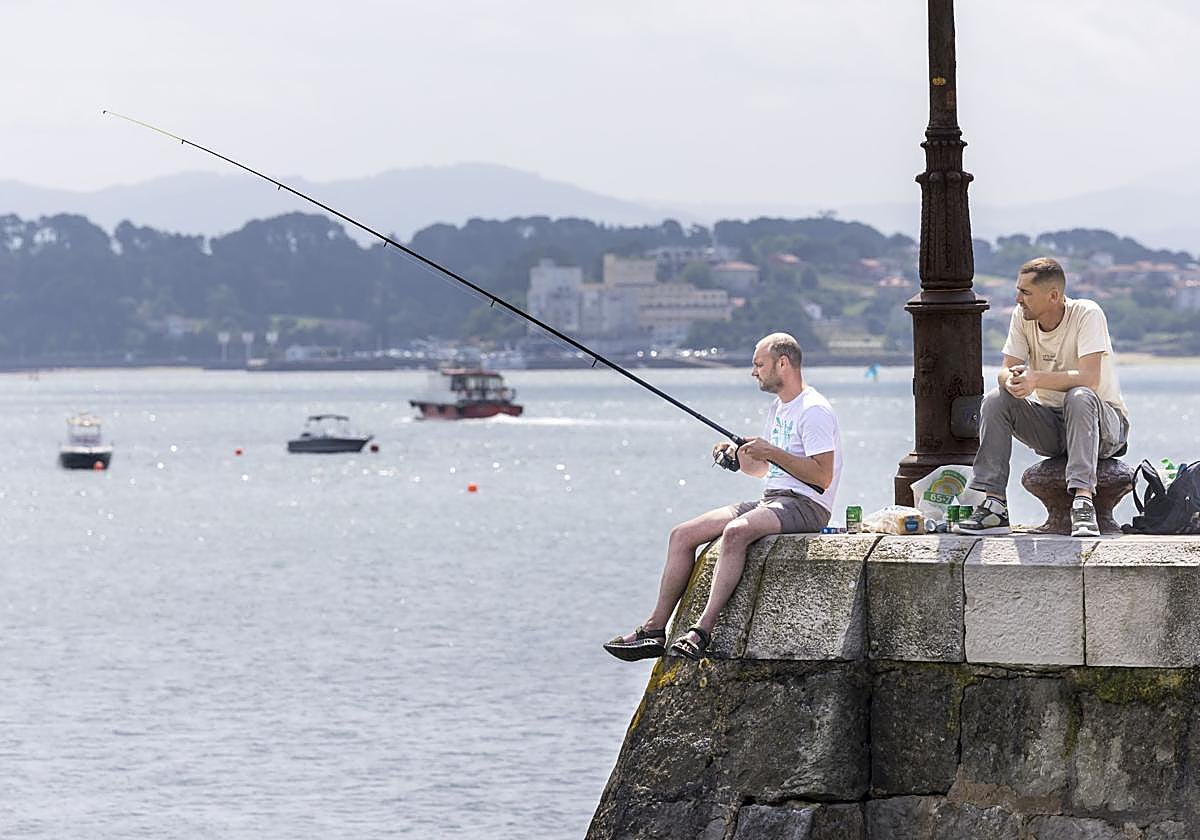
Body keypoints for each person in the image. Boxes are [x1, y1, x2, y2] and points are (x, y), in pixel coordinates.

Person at [604, 332, 843, 662]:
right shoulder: (779, 408)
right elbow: (762, 471)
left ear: (783, 363)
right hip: (774, 498)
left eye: (759, 364)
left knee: (735, 532)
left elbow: (821, 477)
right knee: (682, 535)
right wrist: (737, 456)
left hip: (806, 505)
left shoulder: (813, 410)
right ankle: (654, 629)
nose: (753, 372)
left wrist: (771, 450)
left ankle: (702, 630)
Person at [954, 257, 1129, 538]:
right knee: (996, 399)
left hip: (1104, 426)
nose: (1018, 298)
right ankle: (994, 505)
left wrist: (1037, 378)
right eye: (1018, 290)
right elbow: (1004, 370)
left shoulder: (1087, 313)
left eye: (1025, 292)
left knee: (1080, 395)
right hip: (1054, 426)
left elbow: (1090, 378)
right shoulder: (1021, 318)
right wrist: (1013, 380)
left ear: (1053, 296)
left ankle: (1083, 502)